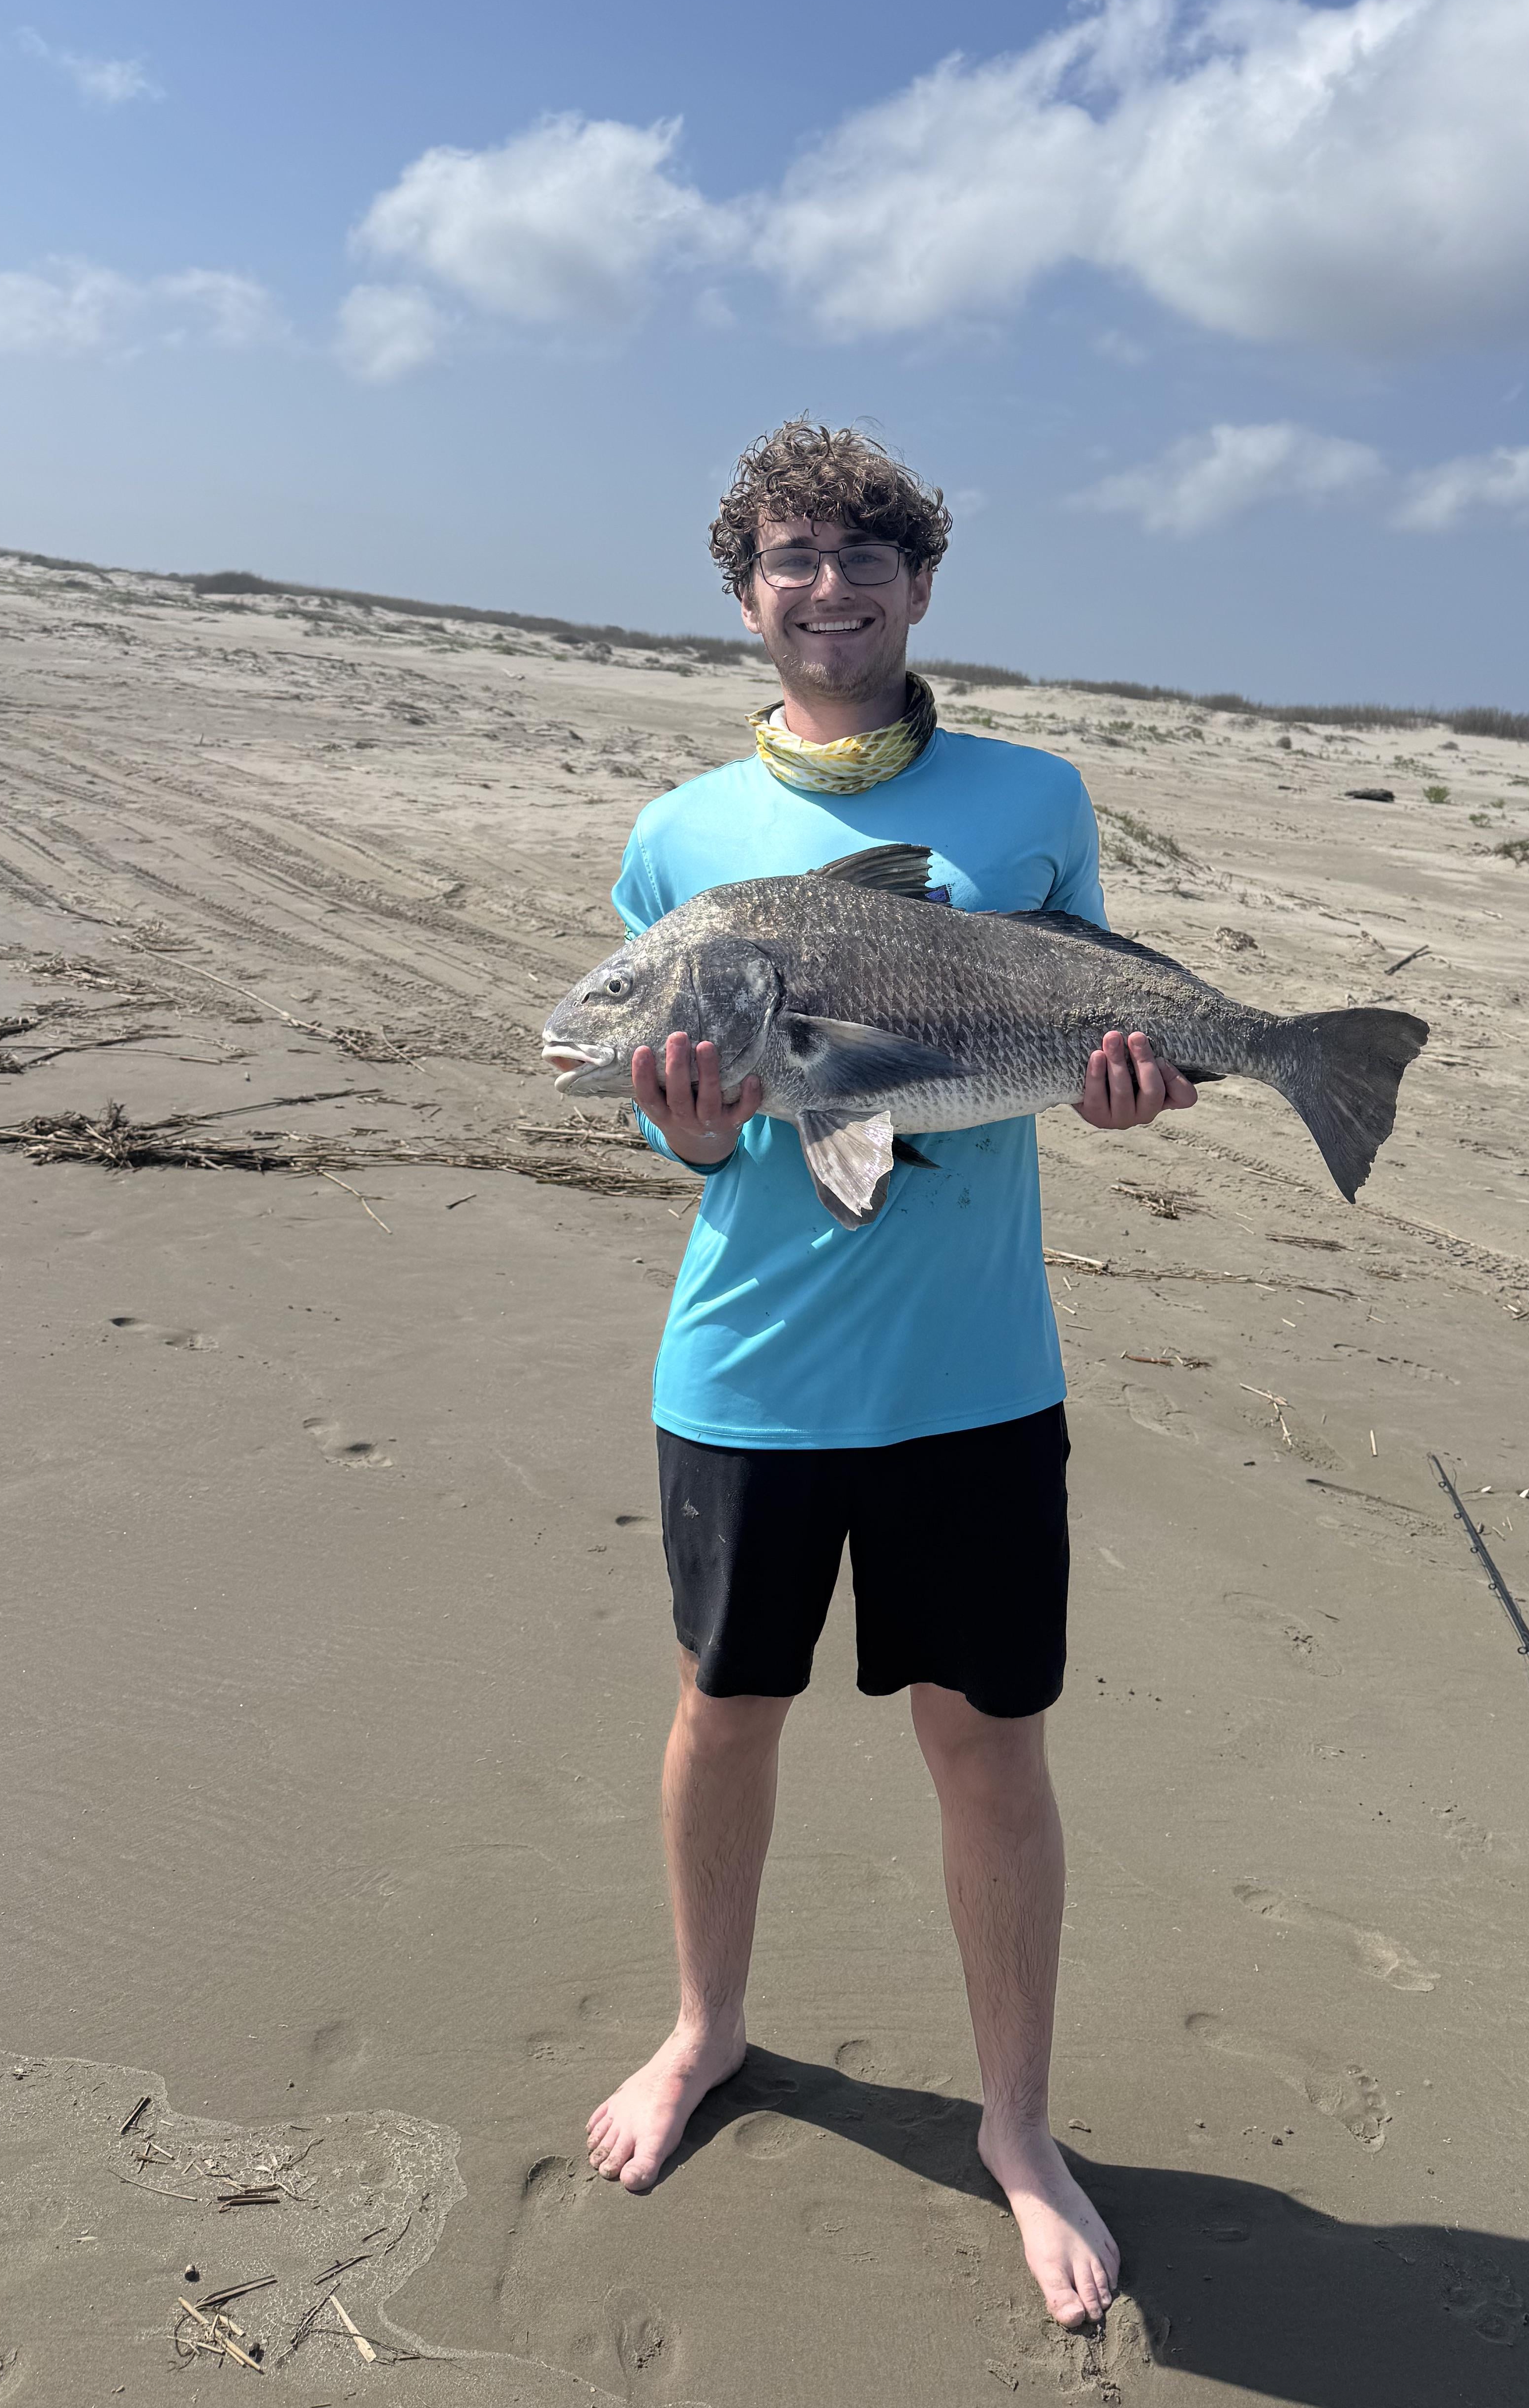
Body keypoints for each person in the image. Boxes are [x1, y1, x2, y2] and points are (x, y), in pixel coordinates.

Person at [571, 420, 1196, 2333]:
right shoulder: (679, 837)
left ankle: (1017, 2127)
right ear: (743, 592)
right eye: (790, 558)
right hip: (749, 1372)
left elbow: (1077, 1007)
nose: (826, 589)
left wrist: (1130, 1082)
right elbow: (678, 1121)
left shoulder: (1031, 795)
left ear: (919, 585)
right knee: (724, 1712)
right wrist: (687, 1121)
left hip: (975, 1376)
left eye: (863, 557)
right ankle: (705, 2030)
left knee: (986, 1742)